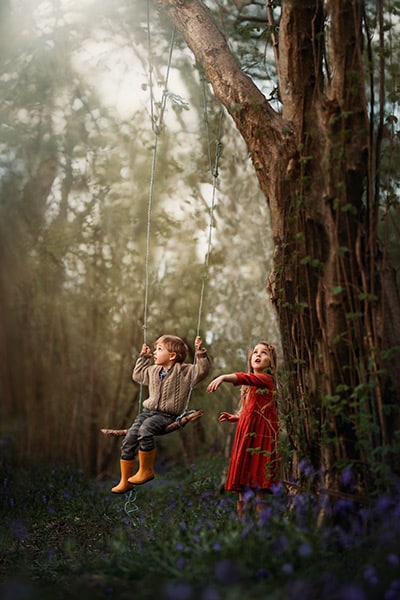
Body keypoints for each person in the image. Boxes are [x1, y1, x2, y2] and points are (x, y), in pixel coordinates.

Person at [112, 334, 212, 493]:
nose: (154, 352)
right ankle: (125, 480)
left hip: (167, 416)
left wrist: (200, 352)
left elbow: (203, 370)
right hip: (147, 412)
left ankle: (146, 470)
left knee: (145, 430)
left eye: (159, 349)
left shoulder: (185, 371)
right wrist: (143, 358)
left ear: (172, 356)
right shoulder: (152, 370)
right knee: (129, 439)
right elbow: (137, 376)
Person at [207, 341, 280, 517]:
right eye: (255, 352)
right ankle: (244, 525)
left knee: (258, 477)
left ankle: (261, 523)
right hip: (247, 431)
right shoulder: (250, 384)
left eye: (264, 353)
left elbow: (245, 378)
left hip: (260, 434)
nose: (258, 355)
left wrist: (223, 377)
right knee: (244, 478)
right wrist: (237, 417)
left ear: (271, 362)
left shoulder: (266, 379)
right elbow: (251, 409)